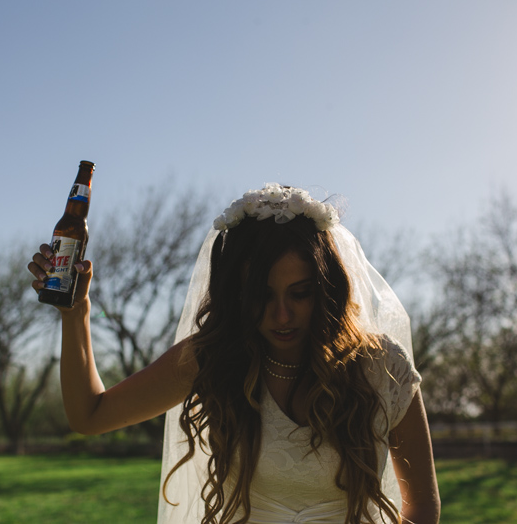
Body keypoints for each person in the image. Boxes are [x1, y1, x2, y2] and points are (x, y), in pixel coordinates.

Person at [28, 183, 440, 524]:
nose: (282, 315)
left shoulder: (381, 366)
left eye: (300, 294)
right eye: (261, 296)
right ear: (235, 294)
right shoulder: (212, 358)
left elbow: (421, 507)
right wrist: (76, 312)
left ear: (326, 289)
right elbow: (91, 415)